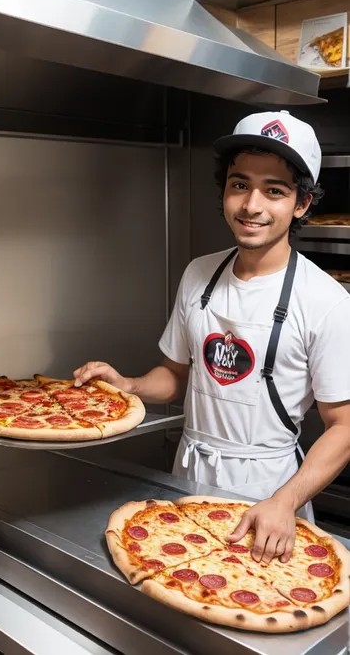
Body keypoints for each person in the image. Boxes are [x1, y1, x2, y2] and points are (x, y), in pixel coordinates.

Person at [73, 110, 350, 566]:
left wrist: (284, 502)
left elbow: (342, 426)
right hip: (187, 475)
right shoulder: (199, 273)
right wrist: (129, 386)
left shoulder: (325, 301)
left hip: (269, 492)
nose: (252, 206)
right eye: (240, 185)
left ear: (301, 204)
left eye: (274, 191)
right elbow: (176, 376)